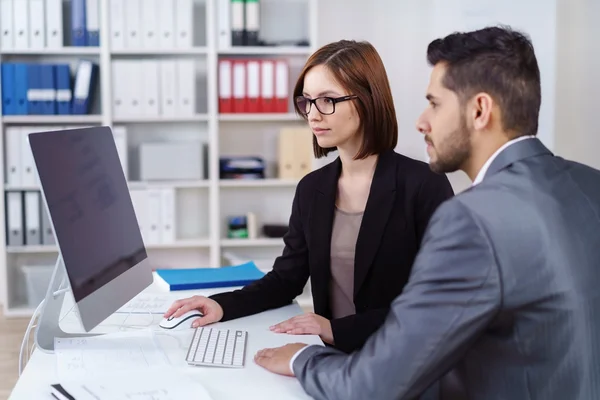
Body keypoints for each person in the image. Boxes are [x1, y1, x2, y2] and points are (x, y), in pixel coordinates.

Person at [252, 25, 600, 400]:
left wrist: (301, 359)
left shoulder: (470, 218)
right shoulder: (589, 185)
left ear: (480, 110)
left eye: (435, 104)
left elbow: (372, 384)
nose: (421, 122)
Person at [164, 40, 454, 353]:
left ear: (368, 100)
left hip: (400, 359)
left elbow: (438, 303)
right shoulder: (312, 189)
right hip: (334, 358)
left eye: (328, 100)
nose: (313, 114)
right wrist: (220, 305)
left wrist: (334, 329)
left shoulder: (424, 185)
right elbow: (286, 280)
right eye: (307, 102)